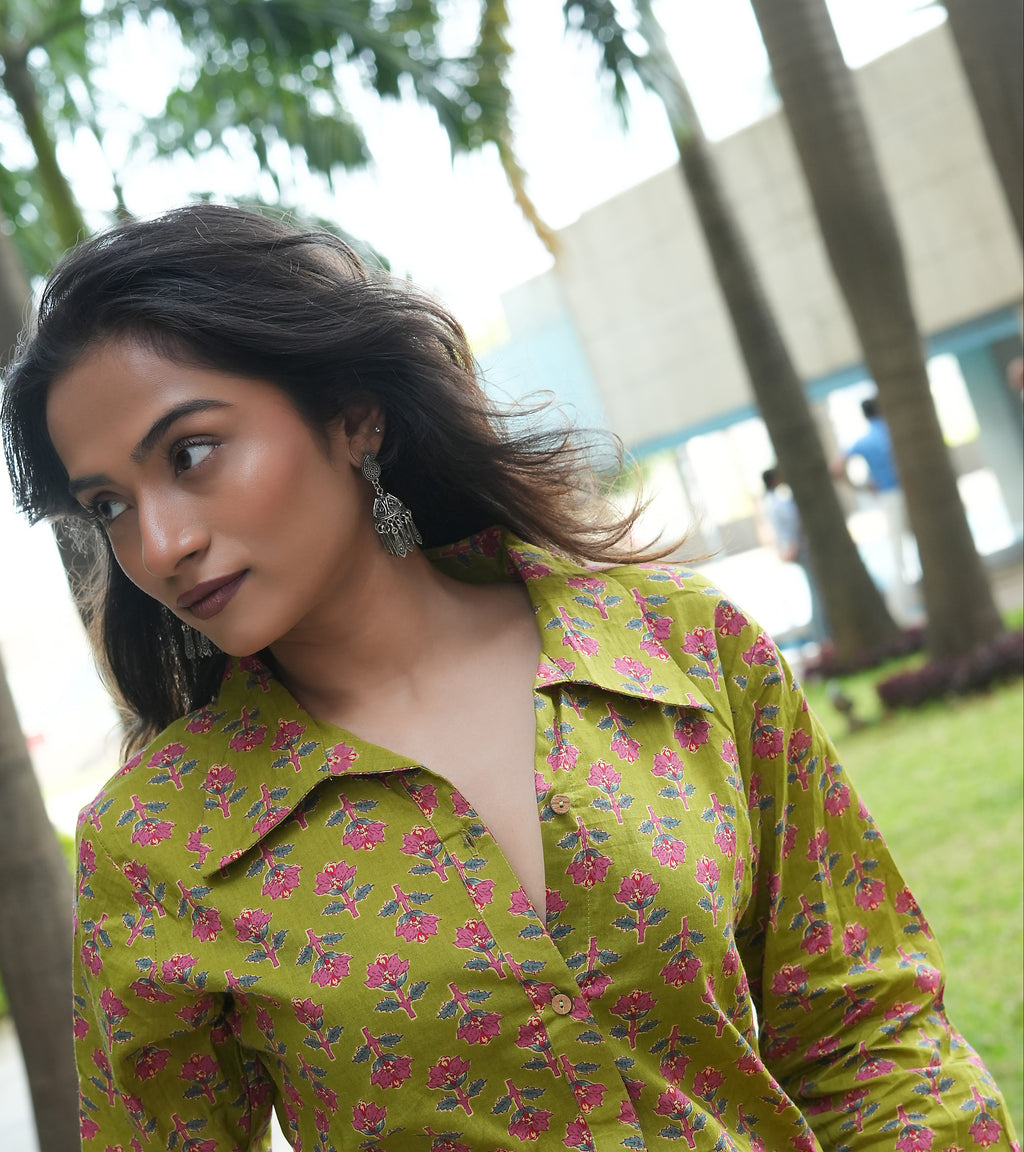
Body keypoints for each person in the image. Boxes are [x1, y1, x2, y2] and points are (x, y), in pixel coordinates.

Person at [2, 205, 1016, 1152]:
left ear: (354, 416)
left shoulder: (683, 650)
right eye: (106, 506)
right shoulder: (157, 846)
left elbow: (869, 1038)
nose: (161, 542)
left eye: (190, 452)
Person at [831, 396, 915, 625]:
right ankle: (904, 608)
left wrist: (861, 487)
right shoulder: (894, 431)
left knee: (898, 553)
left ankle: (901, 611)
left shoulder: (865, 440)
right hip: (911, 493)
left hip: (888, 497)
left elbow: (837, 468)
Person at [760, 467, 828, 646]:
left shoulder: (771, 502)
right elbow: (790, 525)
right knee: (816, 590)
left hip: (792, 549)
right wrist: (791, 546)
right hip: (797, 549)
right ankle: (822, 635)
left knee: (815, 588)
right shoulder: (777, 502)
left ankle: (822, 633)